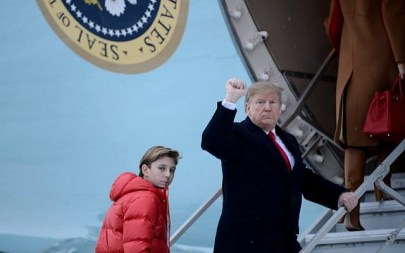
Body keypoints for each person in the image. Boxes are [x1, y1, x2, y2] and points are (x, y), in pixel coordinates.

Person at [201, 79, 359, 253]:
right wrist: (230, 99)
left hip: (283, 237)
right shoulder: (238, 135)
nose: (267, 107)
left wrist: (338, 194)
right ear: (248, 108)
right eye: (260, 102)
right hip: (245, 241)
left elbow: (301, 178)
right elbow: (211, 141)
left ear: (279, 108)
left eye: (272, 102)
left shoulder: (287, 140)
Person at [325, 0, 405, 231]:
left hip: (352, 58)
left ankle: (351, 213)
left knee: (355, 138)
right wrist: (401, 58)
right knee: (392, 121)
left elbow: (334, 24)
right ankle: (383, 184)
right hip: (383, 56)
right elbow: (393, 11)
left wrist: (349, 47)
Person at [95, 146, 181, 253]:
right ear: (145, 170)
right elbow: (136, 248)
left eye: (172, 170)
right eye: (162, 168)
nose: (168, 175)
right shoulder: (145, 199)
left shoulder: (136, 194)